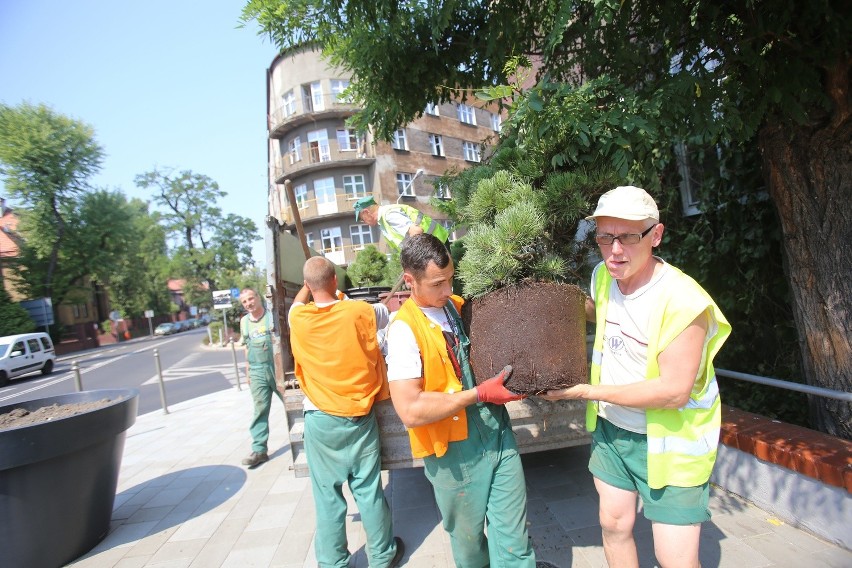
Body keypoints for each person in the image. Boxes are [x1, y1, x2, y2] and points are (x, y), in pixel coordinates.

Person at [541, 186, 731, 568]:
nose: (615, 250)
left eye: (628, 237)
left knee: (673, 558)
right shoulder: (603, 276)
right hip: (614, 432)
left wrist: (584, 392)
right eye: (606, 236)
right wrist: (545, 293)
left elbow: (673, 393)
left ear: (655, 236)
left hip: (673, 442)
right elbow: (602, 312)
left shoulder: (684, 302)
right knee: (613, 527)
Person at [385, 233, 536, 568]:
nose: (447, 289)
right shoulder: (403, 331)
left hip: (498, 436)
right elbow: (410, 409)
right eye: (438, 283)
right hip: (453, 455)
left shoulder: (456, 307)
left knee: (515, 542)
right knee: (470, 549)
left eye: (451, 279)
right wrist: (479, 394)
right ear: (410, 280)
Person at [289, 256, 404, 568]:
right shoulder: (359, 311)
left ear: (309, 287)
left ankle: (332, 562)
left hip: (320, 420)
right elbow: (388, 314)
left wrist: (308, 287)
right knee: (367, 490)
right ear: (336, 282)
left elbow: (298, 305)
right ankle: (382, 556)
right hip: (357, 417)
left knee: (327, 497)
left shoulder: (298, 319)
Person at [239, 288, 283, 468]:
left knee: (291, 405)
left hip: (276, 368)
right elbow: (246, 347)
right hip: (257, 371)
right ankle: (259, 450)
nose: (249, 303)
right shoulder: (244, 322)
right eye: (244, 302)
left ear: (258, 298)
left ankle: (308, 442)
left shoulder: (270, 317)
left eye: (251, 298)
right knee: (260, 410)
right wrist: (248, 372)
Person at [354, 195, 449, 250]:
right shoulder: (384, 219)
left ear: (366, 212)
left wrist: (418, 260)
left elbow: (416, 231)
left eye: (363, 219)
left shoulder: (389, 215)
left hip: (436, 247)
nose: (364, 222)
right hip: (435, 246)